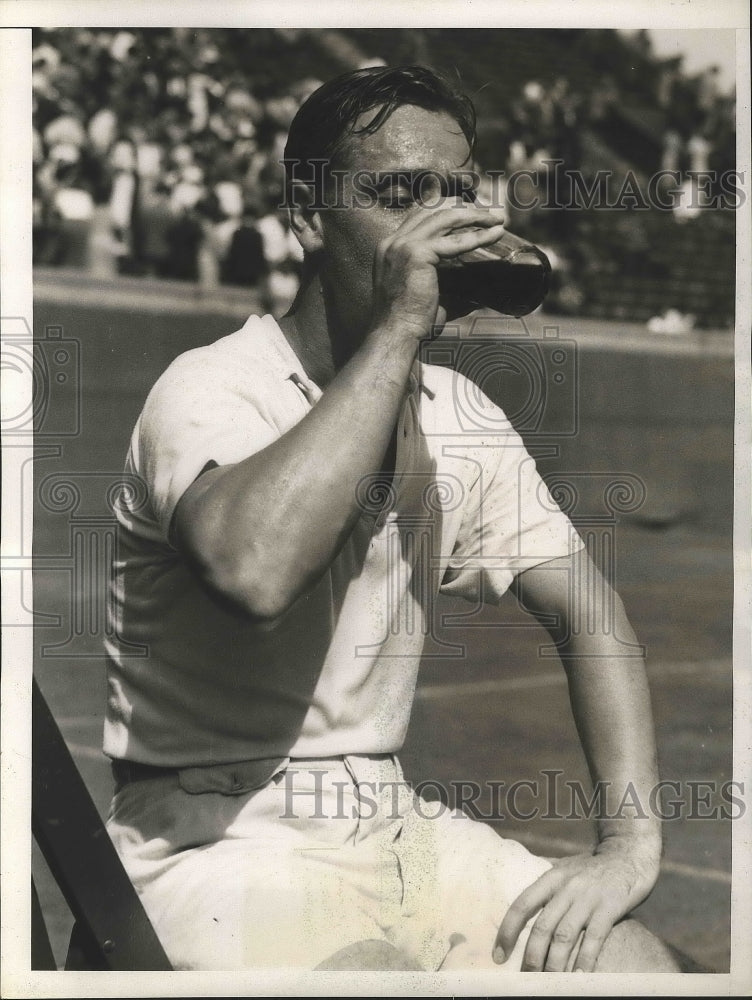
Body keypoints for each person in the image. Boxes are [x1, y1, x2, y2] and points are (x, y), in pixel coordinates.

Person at [104, 65, 681, 974]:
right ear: (307, 214)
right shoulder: (214, 386)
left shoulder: (457, 410)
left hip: (391, 822)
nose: (435, 222)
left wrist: (629, 848)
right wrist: (403, 324)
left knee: (637, 967)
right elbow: (254, 572)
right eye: (398, 195)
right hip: (213, 836)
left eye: (454, 193)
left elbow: (591, 615)